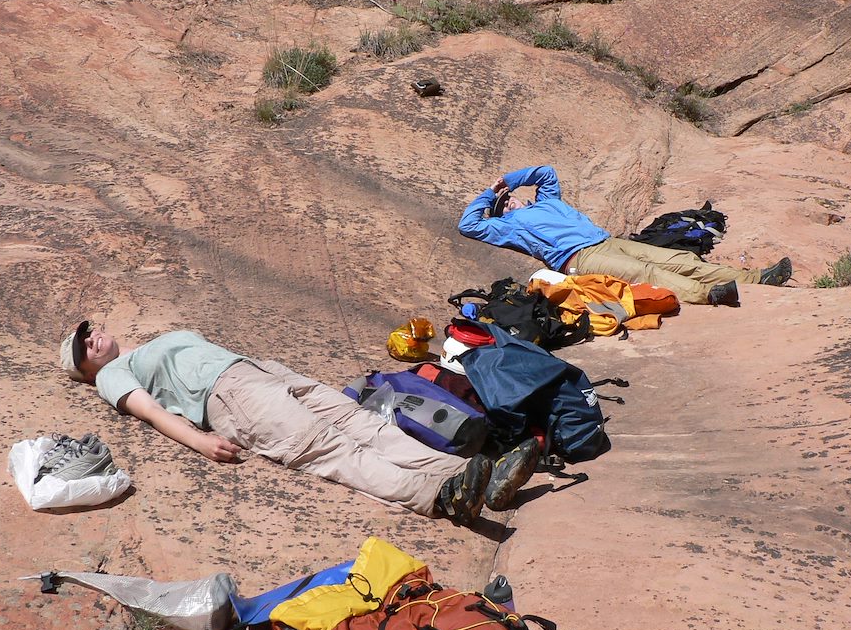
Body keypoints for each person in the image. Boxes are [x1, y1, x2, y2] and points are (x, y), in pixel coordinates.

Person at [58, 321, 542, 525]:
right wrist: (201, 443)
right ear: (86, 370)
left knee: (362, 423)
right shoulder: (113, 377)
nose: (93, 339)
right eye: (84, 348)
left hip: (264, 374)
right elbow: (151, 411)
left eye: (89, 331)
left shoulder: (140, 350)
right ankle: (440, 497)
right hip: (231, 399)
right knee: (333, 449)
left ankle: (467, 475)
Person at [459, 165, 793, 306]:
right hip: (580, 258)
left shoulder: (547, 202)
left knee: (678, 258)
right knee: (647, 274)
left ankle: (756, 278)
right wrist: (489, 196)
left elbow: (546, 173)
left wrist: (509, 179)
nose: (509, 202)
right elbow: (468, 225)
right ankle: (711, 294)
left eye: (509, 198)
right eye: (503, 204)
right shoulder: (506, 227)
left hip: (606, 241)